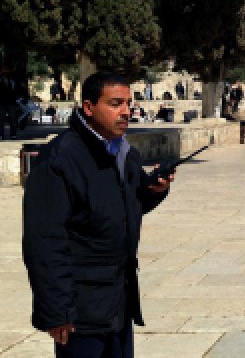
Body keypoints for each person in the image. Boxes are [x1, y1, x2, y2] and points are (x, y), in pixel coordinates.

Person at [22, 71, 174, 358]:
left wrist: (154, 190)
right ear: (89, 107)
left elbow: (125, 207)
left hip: (119, 299)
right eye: (115, 103)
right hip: (81, 310)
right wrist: (57, 312)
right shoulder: (60, 160)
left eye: (129, 103)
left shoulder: (124, 153)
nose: (126, 111)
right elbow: (43, 242)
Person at [0, 65, 21, 139]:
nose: (5, 72)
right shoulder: (0, 80)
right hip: (1, 103)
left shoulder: (13, 81)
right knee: (1, 119)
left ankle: (13, 134)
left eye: (7, 70)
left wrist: (18, 100)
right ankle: (1, 135)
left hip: (12, 102)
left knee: (13, 119)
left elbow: (17, 91)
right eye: (4, 71)